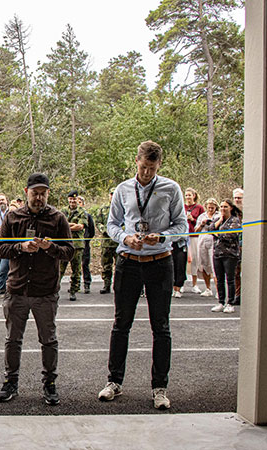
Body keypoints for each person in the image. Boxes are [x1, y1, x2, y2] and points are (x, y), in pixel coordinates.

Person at [99, 140, 187, 410]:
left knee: (160, 326)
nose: (147, 172)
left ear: (159, 164)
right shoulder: (123, 189)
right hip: (128, 261)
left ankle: (159, 387)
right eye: (144, 166)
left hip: (160, 262)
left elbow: (182, 225)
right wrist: (125, 237)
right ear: (136, 160)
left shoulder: (171, 188)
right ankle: (114, 381)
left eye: (152, 167)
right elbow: (112, 224)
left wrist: (162, 235)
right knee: (121, 323)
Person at [0, 173, 74, 406]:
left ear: (48, 193)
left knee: (48, 340)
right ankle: (11, 382)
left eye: (43, 193)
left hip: (45, 291)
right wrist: (20, 247)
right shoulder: (12, 217)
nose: (39, 197)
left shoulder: (58, 218)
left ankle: (50, 383)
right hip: (17, 289)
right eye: (34, 193)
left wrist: (50, 248)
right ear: (26, 192)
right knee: (12, 339)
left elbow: (70, 251)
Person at [205, 199, 242, 313]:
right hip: (217, 253)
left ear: (231, 208)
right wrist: (220, 220)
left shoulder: (235, 220)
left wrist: (217, 233)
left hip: (230, 254)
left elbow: (230, 235)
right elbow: (210, 228)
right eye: (221, 207)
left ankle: (230, 303)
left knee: (230, 279)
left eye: (225, 207)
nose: (222, 209)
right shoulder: (218, 220)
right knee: (219, 279)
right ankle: (221, 302)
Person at [59, 191, 88, 301]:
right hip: (64, 244)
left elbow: (80, 226)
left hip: (77, 245)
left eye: (74, 199)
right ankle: (55, 289)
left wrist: (66, 226)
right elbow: (59, 225)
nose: (72, 201)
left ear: (77, 200)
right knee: (60, 269)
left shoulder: (82, 212)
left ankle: (73, 290)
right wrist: (71, 225)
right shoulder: (63, 211)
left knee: (76, 269)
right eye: (70, 199)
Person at [95, 189, 119, 294]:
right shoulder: (103, 209)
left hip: (118, 243)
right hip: (106, 242)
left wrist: (118, 232)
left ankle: (118, 286)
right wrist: (104, 230)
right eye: (111, 194)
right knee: (106, 265)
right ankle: (106, 285)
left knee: (119, 266)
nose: (113, 196)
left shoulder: (122, 208)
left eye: (115, 194)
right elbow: (98, 222)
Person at [194, 198, 220, 297]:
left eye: (212, 208)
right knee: (204, 264)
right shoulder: (202, 216)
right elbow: (196, 230)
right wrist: (202, 224)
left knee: (214, 265)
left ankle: (218, 290)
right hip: (202, 241)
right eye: (209, 208)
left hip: (213, 241)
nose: (210, 210)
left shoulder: (218, 216)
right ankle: (208, 288)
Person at [183, 188, 205, 294]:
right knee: (182, 259)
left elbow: (202, 222)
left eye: (189, 195)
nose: (188, 197)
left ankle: (195, 284)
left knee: (195, 260)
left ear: (194, 196)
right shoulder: (182, 207)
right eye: (186, 195)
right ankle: (180, 283)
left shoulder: (199, 208)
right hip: (183, 237)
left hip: (195, 236)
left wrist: (193, 219)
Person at [76, 196, 95, 294]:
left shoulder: (87, 216)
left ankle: (87, 284)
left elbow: (92, 230)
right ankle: (76, 285)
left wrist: (87, 239)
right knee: (76, 265)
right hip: (75, 243)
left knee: (85, 264)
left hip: (84, 243)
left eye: (80, 202)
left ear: (83, 204)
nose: (78, 204)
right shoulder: (73, 215)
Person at [232, 188, 244, 302]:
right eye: (235, 198)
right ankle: (237, 294)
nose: (237, 200)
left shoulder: (249, 212)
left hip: (247, 245)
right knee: (236, 271)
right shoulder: (232, 213)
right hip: (234, 245)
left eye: (239, 198)